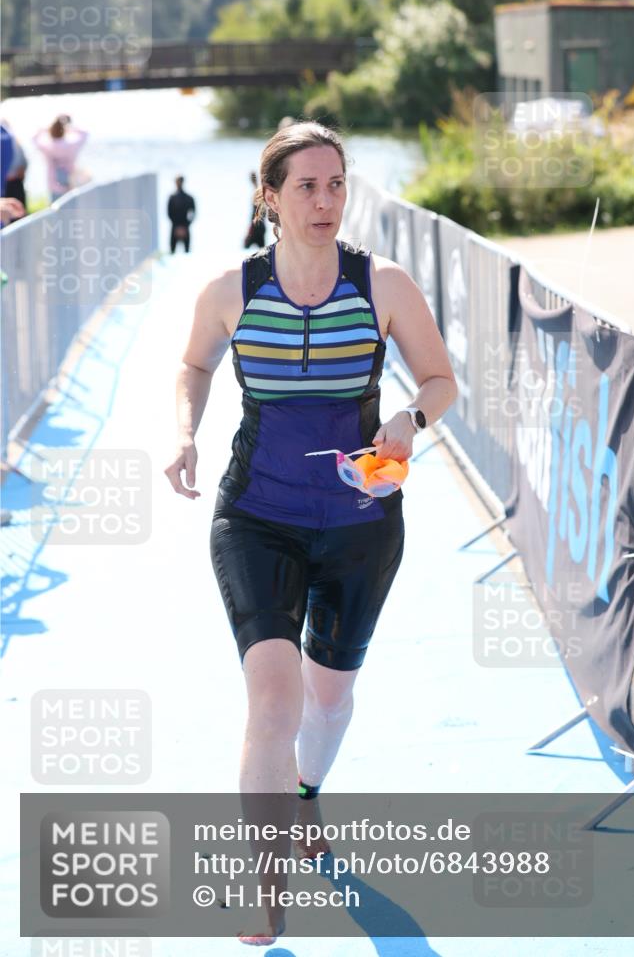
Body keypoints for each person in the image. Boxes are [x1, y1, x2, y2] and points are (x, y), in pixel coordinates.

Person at [164, 121, 457, 945]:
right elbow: (191, 366)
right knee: (273, 698)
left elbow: (441, 380)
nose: (325, 201)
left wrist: (408, 415)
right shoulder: (231, 287)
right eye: (306, 187)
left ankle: (306, 792)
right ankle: (266, 886)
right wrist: (184, 430)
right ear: (269, 197)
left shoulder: (382, 284)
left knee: (329, 698)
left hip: (361, 523)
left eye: (335, 185)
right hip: (255, 516)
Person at [33, 115, 88, 203]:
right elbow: (85, 133)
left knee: (56, 212)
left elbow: (34, 138)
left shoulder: (46, 146)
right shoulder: (72, 144)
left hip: (54, 185)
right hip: (71, 184)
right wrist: (70, 127)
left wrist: (45, 129)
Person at [167, 175, 196, 253]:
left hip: (183, 228)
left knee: (186, 252)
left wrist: (185, 226)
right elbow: (169, 213)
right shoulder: (172, 198)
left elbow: (192, 214)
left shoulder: (189, 198)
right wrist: (180, 227)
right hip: (177, 228)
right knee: (172, 252)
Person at [243, 171, 267, 249]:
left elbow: (259, 212)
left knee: (248, 246)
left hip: (257, 226)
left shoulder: (258, 192)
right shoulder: (258, 191)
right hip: (258, 225)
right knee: (262, 250)